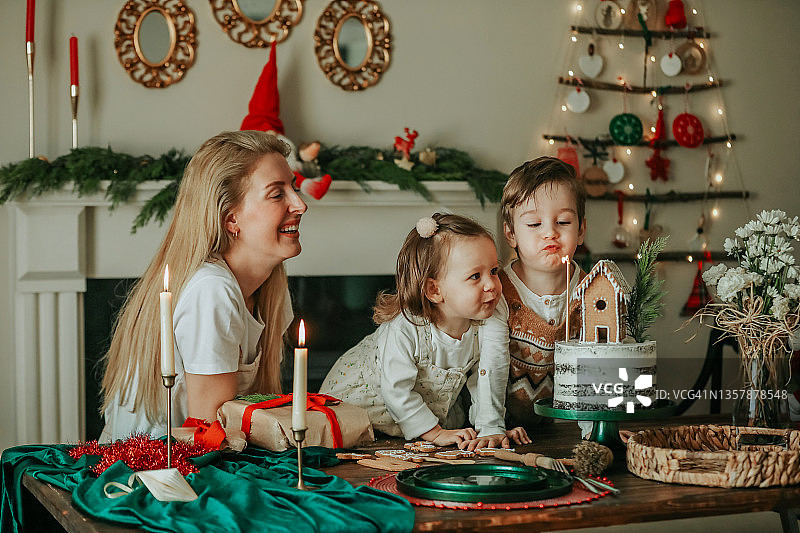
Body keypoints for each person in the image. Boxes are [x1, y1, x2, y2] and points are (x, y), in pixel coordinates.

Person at [100, 130, 307, 441]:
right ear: (230, 219)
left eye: (294, 188)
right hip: (156, 466)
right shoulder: (212, 291)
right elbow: (209, 435)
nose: (300, 204)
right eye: (277, 194)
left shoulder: (270, 289)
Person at [320, 213, 531, 450]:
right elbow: (396, 390)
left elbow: (485, 378)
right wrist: (435, 433)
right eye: (475, 276)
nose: (491, 284)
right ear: (434, 290)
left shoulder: (482, 323)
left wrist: (491, 428)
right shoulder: (405, 328)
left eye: (493, 271)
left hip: (417, 418)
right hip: (363, 406)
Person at [483, 156, 587, 431]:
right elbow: (490, 364)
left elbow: (596, 368)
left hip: (565, 429)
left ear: (581, 230)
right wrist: (492, 427)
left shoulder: (591, 291)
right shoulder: (497, 291)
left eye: (563, 221)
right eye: (534, 224)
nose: (550, 233)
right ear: (511, 234)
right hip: (504, 428)